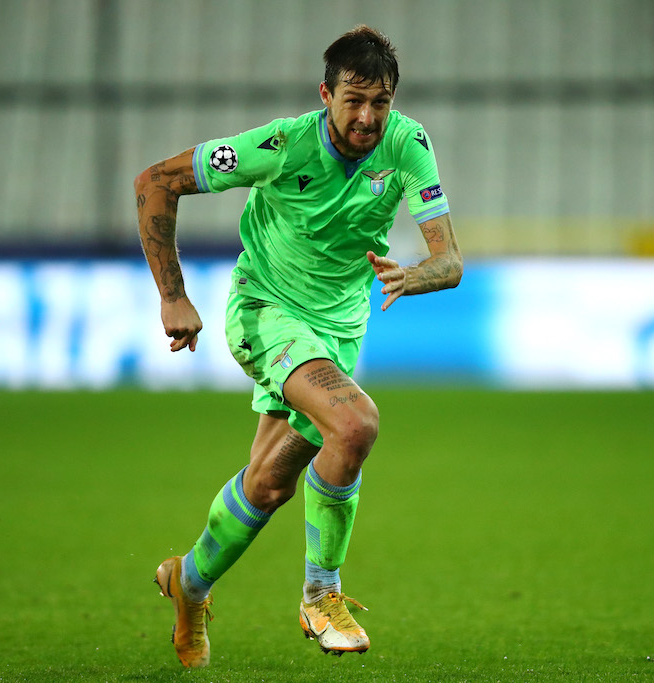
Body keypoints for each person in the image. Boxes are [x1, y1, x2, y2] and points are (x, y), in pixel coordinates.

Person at [133, 25, 462, 668]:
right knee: (355, 422)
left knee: (271, 483)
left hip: (337, 332)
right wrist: (173, 295)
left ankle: (189, 582)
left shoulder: (408, 142)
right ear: (326, 95)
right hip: (266, 312)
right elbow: (155, 181)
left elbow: (448, 260)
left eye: (381, 102)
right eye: (354, 100)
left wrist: (415, 274)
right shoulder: (280, 145)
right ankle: (322, 593)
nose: (368, 117)